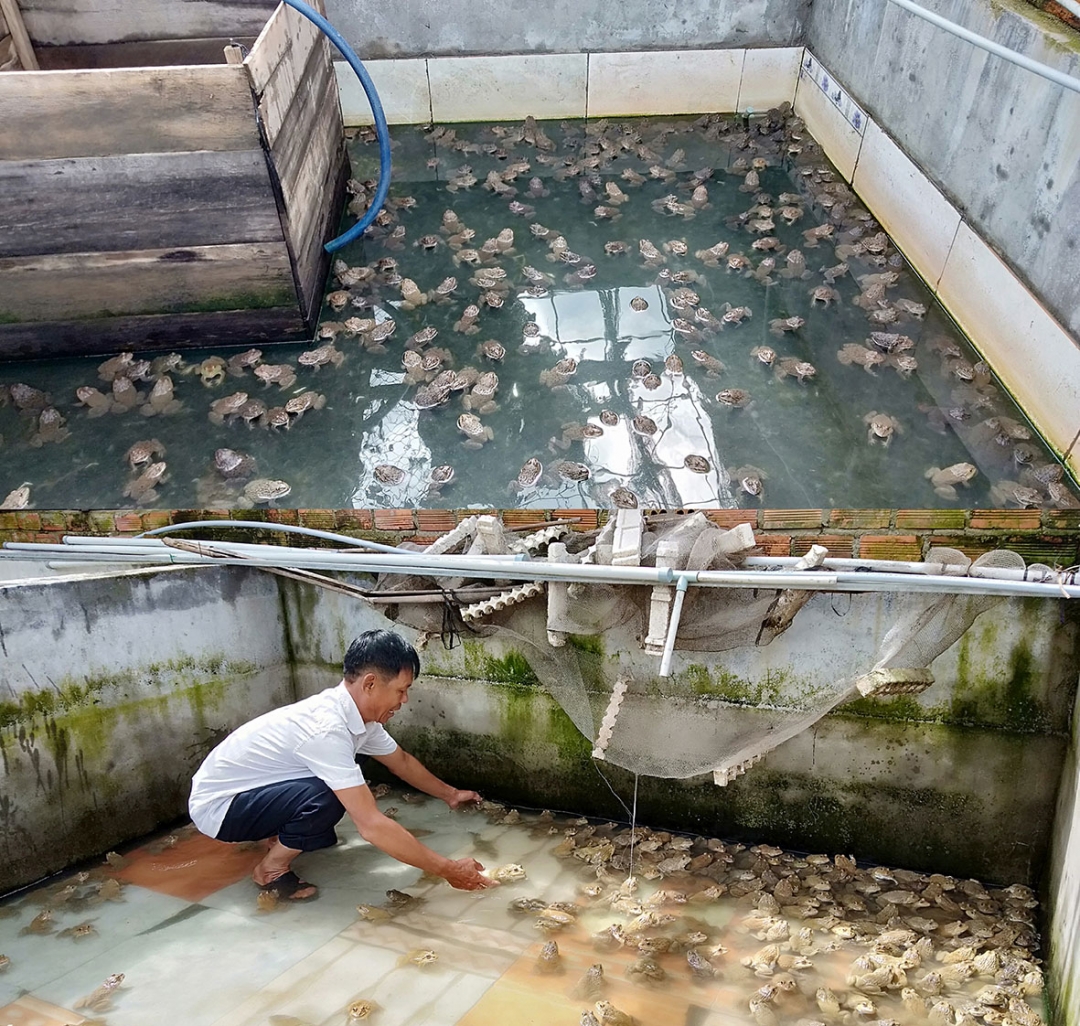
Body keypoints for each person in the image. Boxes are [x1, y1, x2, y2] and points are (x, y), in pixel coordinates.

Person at [188, 629, 495, 900]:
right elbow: (371, 825)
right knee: (331, 793)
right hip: (221, 809)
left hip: (252, 792)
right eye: (401, 690)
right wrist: (449, 869)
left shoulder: (361, 720)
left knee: (340, 780)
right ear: (371, 684)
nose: (404, 700)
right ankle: (271, 869)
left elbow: (400, 761)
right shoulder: (327, 729)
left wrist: (450, 794)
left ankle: (279, 835)